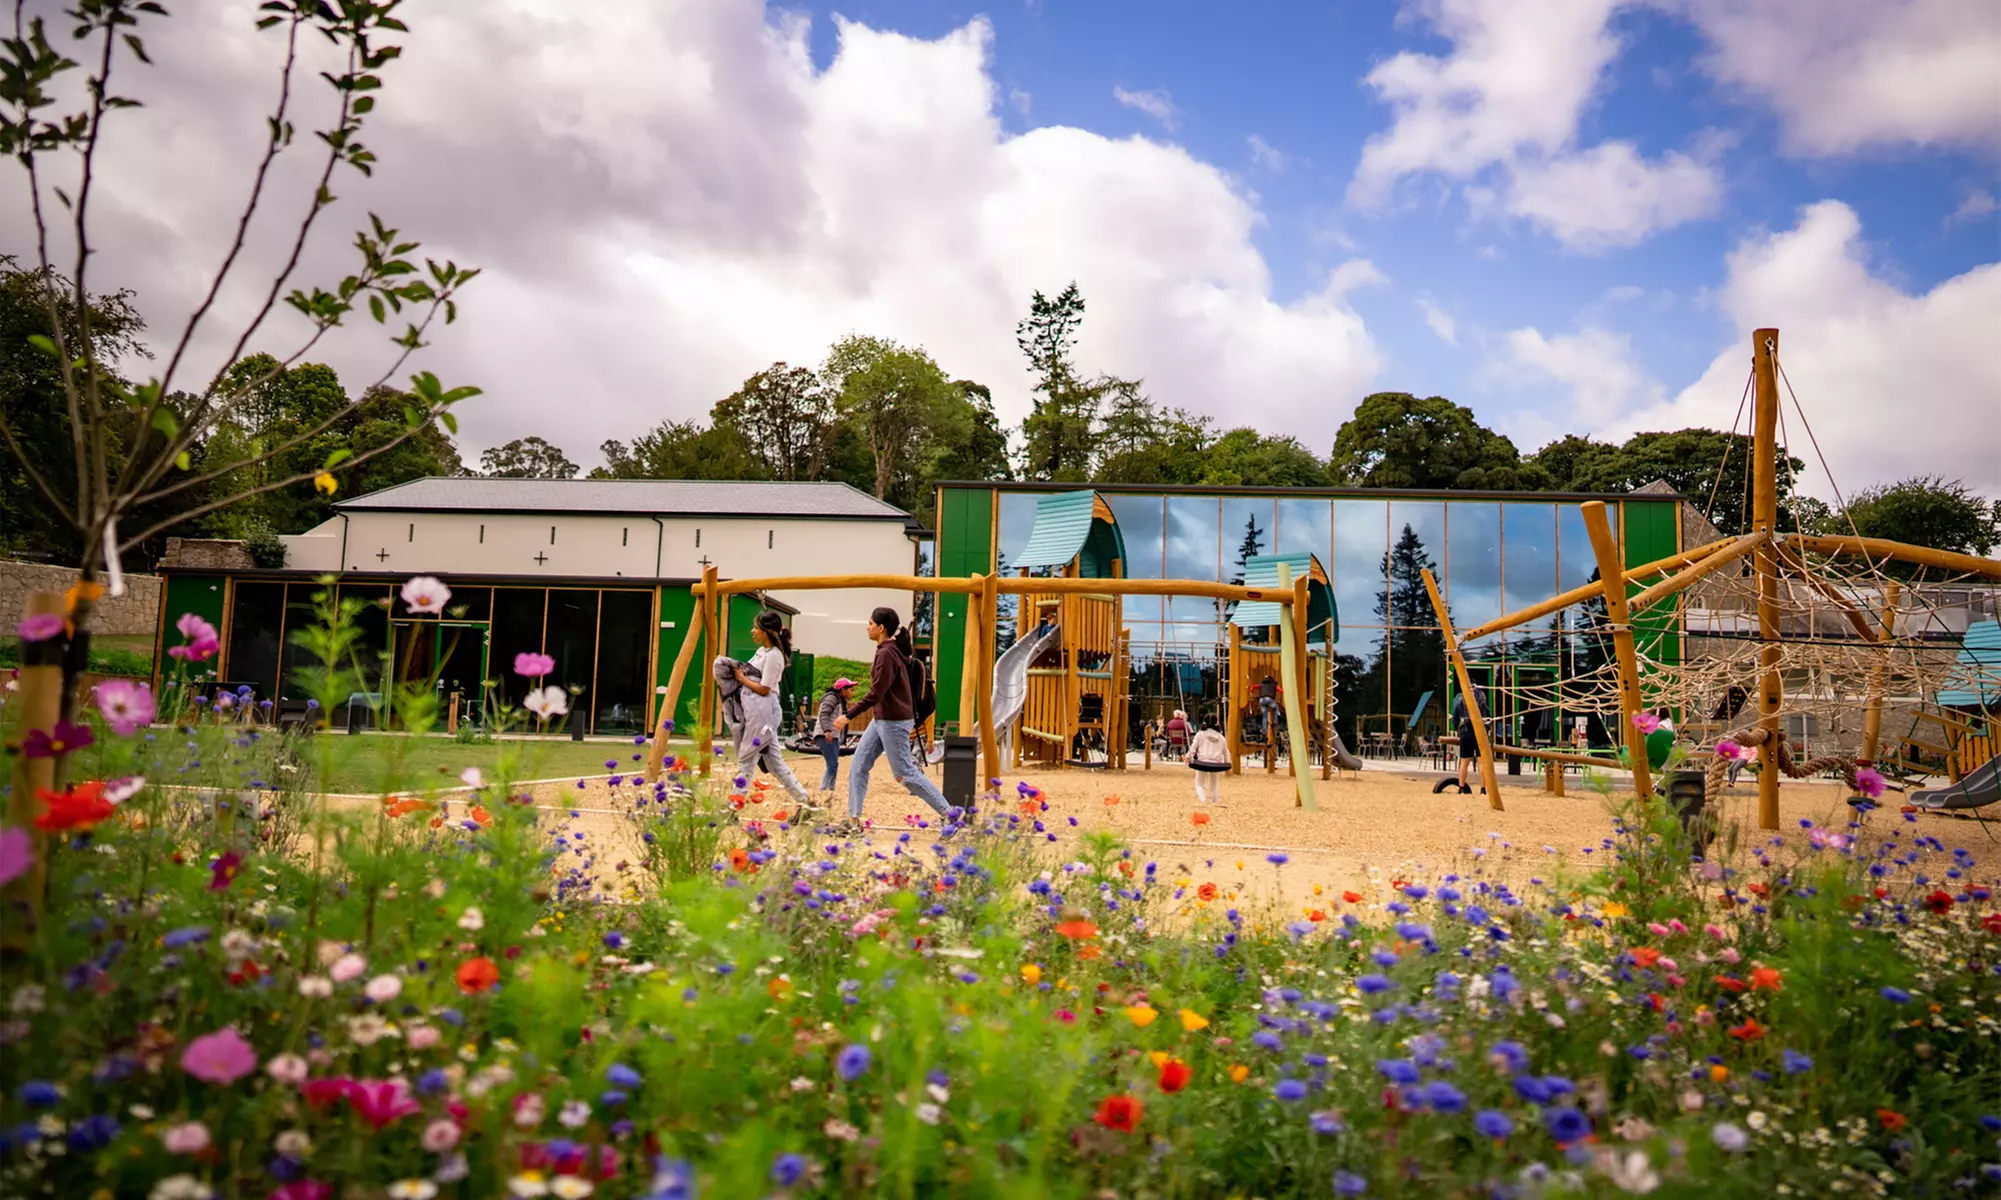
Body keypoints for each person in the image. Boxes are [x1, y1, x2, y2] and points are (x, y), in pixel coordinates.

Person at [834, 606, 951, 828]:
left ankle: (950, 815)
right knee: (858, 766)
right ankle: (853, 821)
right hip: (882, 719)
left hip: (894, 722)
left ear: (881, 628)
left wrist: (849, 715)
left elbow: (876, 692)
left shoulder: (887, 653)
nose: (866, 627)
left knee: (904, 773)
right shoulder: (887, 650)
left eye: (870, 623)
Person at [732, 610, 812, 812]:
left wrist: (741, 679)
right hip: (756, 710)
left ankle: (733, 807)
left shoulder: (775, 656)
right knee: (775, 765)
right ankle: (806, 802)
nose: (752, 631)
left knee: (747, 759)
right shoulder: (762, 652)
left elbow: (765, 687)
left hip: (765, 711)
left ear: (766, 632)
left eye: (756, 628)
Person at [813, 677, 857, 794]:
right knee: (832, 764)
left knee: (834, 764)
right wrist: (827, 731)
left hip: (832, 735)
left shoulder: (839, 700)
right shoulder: (831, 699)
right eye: (851, 690)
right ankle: (823, 789)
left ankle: (830, 789)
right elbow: (824, 715)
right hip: (825, 735)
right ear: (843, 690)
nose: (853, 692)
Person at [1188, 718, 1230, 804]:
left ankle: (1204, 801)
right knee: (1214, 786)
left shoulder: (1200, 734)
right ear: (1216, 723)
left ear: (1204, 722)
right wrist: (1228, 763)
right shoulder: (1221, 737)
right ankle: (1215, 802)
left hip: (1202, 762)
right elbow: (1226, 752)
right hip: (1216, 764)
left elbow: (1193, 747)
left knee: (1199, 785)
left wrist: (1189, 756)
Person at [1452, 690, 1480, 794]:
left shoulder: (1460, 704)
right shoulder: (1480, 702)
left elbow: (1455, 721)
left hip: (1466, 733)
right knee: (1481, 763)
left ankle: (1461, 787)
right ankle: (1483, 789)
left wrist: (1459, 731)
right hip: (1479, 734)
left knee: (1464, 762)